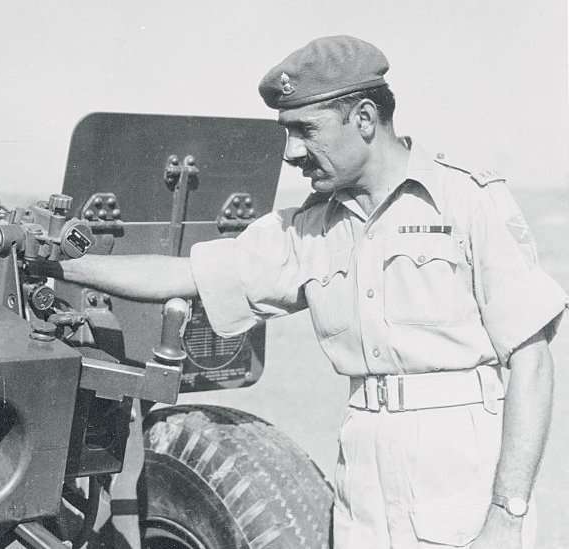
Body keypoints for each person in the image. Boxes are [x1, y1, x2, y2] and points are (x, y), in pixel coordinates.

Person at [46, 36, 566, 549]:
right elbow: (185, 275)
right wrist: (63, 264)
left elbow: (532, 363)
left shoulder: (466, 202)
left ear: (364, 118)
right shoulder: (310, 228)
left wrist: (507, 513)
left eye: (304, 130)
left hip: (461, 476)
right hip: (363, 474)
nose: (291, 152)